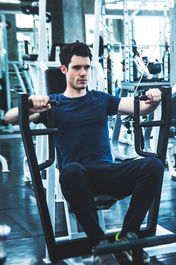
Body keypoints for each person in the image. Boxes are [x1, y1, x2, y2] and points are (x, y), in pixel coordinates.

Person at [4, 42, 164, 264]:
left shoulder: (101, 99)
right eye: (77, 67)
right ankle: (100, 243)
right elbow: (11, 117)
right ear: (64, 70)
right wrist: (31, 104)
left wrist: (154, 99)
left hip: (109, 174)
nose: (83, 73)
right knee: (69, 171)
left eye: (87, 68)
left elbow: (142, 107)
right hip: (80, 180)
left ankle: (126, 235)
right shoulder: (53, 104)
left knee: (154, 164)